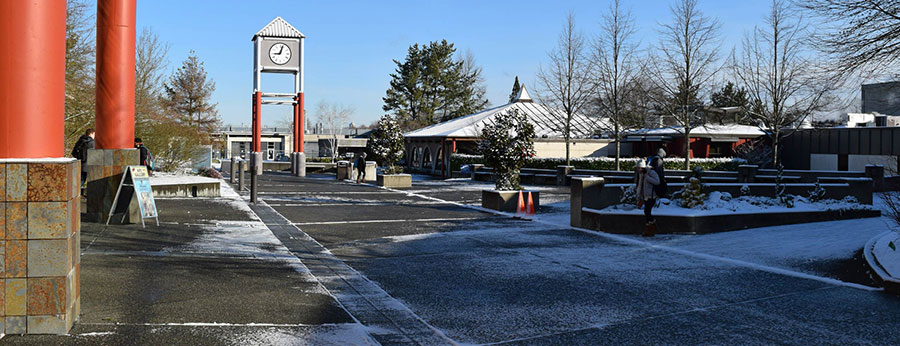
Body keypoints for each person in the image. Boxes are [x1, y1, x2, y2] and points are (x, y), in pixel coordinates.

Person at [636, 158, 661, 237]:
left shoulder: (651, 172)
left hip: (651, 196)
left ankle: (652, 227)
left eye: (639, 168)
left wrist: (648, 178)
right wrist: (639, 197)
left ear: (643, 168)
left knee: (647, 212)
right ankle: (650, 228)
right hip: (645, 196)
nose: (638, 170)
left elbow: (657, 182)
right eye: (638, 168)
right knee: (646, 212)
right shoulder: (641, 174)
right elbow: (640, 185)